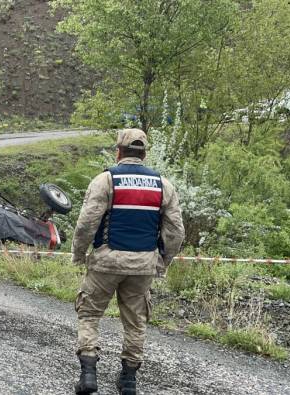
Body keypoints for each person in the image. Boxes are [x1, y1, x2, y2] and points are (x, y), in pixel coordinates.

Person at [71, 128, 185, 395]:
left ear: (118, 152)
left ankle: (88, 375)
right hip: (143, 265)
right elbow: (176, 230)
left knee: (89, 314)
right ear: (145, 154)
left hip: (106, 263)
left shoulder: (105, 180)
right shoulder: (163, 185)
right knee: (135, 322)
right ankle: (128, 381)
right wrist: (164, 261)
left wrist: (78, 253)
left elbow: (87, 223)